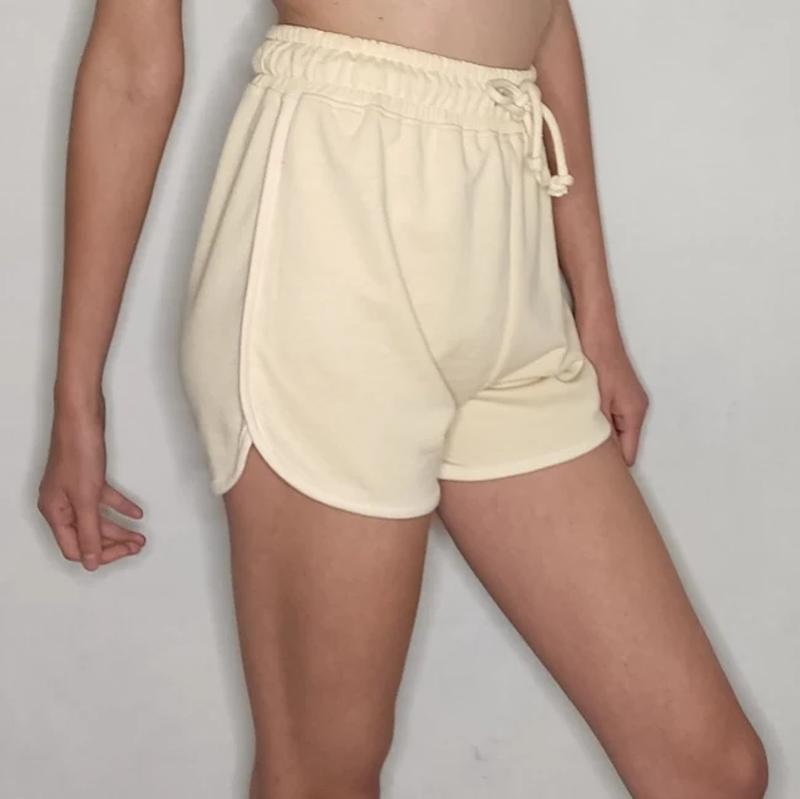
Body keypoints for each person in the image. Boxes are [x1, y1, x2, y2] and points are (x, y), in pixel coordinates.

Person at [37, 2, 768, 797]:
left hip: (509, 242)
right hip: (330, 229)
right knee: (324, 777)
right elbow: (132, 66)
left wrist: (593, 307)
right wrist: (78, 394)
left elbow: (545, 15)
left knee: (713, 770)